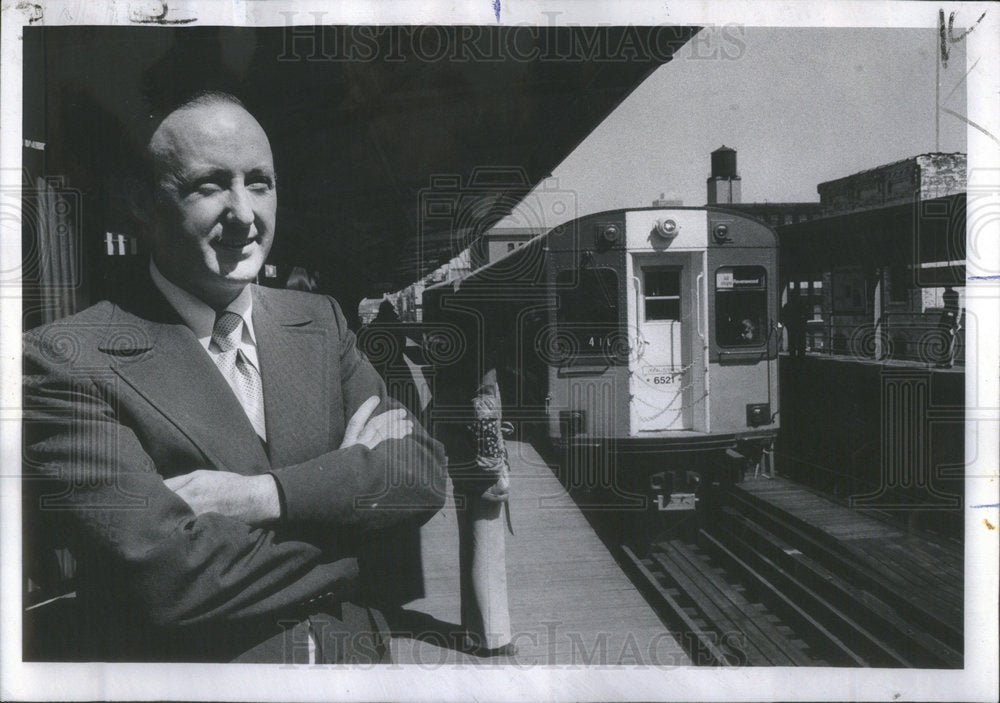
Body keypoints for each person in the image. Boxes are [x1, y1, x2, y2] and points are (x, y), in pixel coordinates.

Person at [22, 91, 447, 663]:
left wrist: (263, 496)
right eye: (210, 185)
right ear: (143, 203)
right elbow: (168, 581)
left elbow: (419, 471)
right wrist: (354, 513)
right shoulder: (68, 358)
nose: (244, 214)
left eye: (260, 182)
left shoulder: (318, 322)